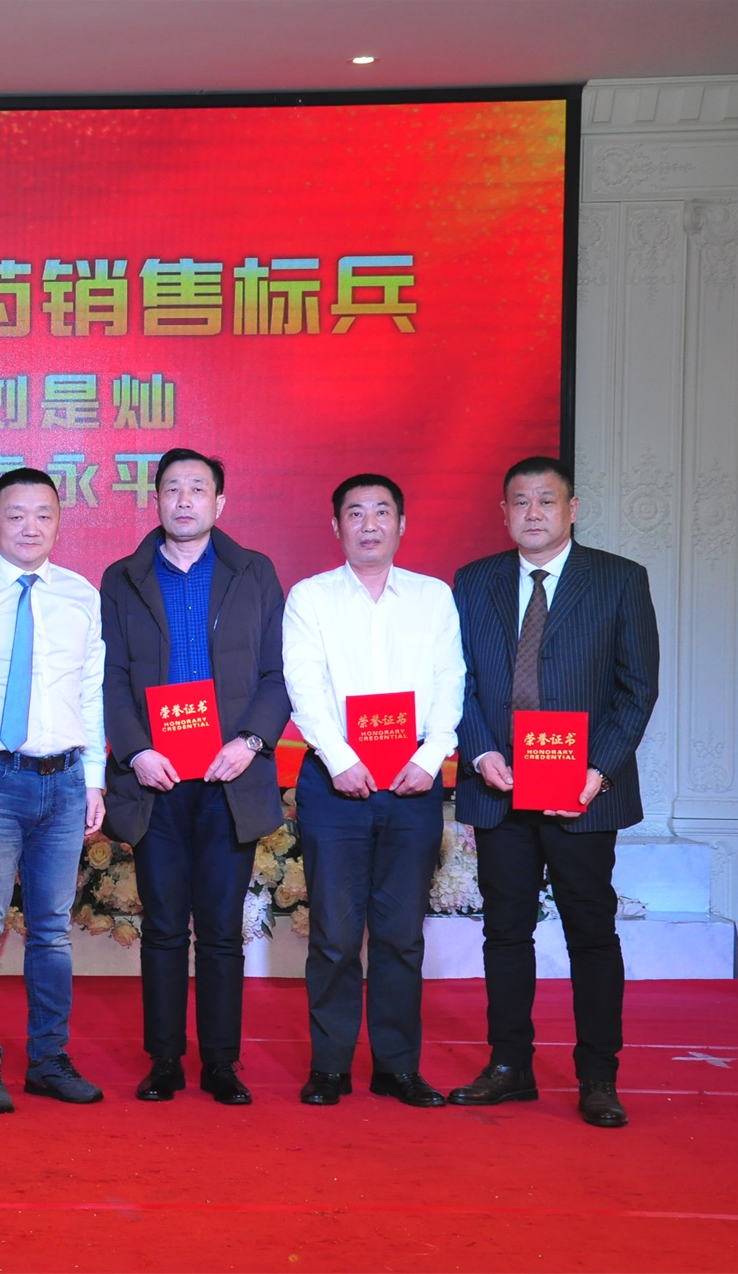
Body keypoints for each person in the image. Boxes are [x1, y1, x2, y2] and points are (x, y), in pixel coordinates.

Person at [448, 456, 658, 1128]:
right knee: (505, 932)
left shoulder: (619, 579)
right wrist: (481, 750)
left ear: (572, 509)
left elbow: (636, 688)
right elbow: (456, 679)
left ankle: (598, 1075)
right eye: (520, 501)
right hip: (500, 787)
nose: (532, 512)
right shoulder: (474, 581)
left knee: (590, 932)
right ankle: (509, 1065)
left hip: (583, 793)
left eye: (546, 500)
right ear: (503, 512)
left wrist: (598, 771)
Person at [101, 448, 289, 1105]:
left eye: (198, 489)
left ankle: (221, 1062)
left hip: (227, 778)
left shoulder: (254, 572)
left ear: (220, 502)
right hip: (156, 779)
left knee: (219, 929)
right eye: (172, 489)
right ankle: (164, 1060)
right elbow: (111, 678)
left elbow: (278, 673)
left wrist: (251, 741)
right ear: (155, 499)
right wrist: (135, 751)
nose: (184, 500)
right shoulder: (123, 577)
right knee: (160, 926)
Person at [282, 473, 464, 1108]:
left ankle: (397, 1067)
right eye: (355, 513)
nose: (368, 524)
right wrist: (339, 759)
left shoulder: (433, 597)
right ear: (336, 526)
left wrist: (431, 756)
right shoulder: (310, 597)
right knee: (335, 934)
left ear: (401, 524)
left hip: (413, 781)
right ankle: (330, 1066)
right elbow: (303, 685)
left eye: (381, 512)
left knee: (400, 935)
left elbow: (451, 679)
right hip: (335, 785)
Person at [0, 468, 107, 1114]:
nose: (30, 526)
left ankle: (48, 1059)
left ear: (59, 521)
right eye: (15, 515)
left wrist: (93, 778)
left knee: (53, 932)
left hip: (63, 782)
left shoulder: (81, 594)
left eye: (43, 514)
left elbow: (90, 691)